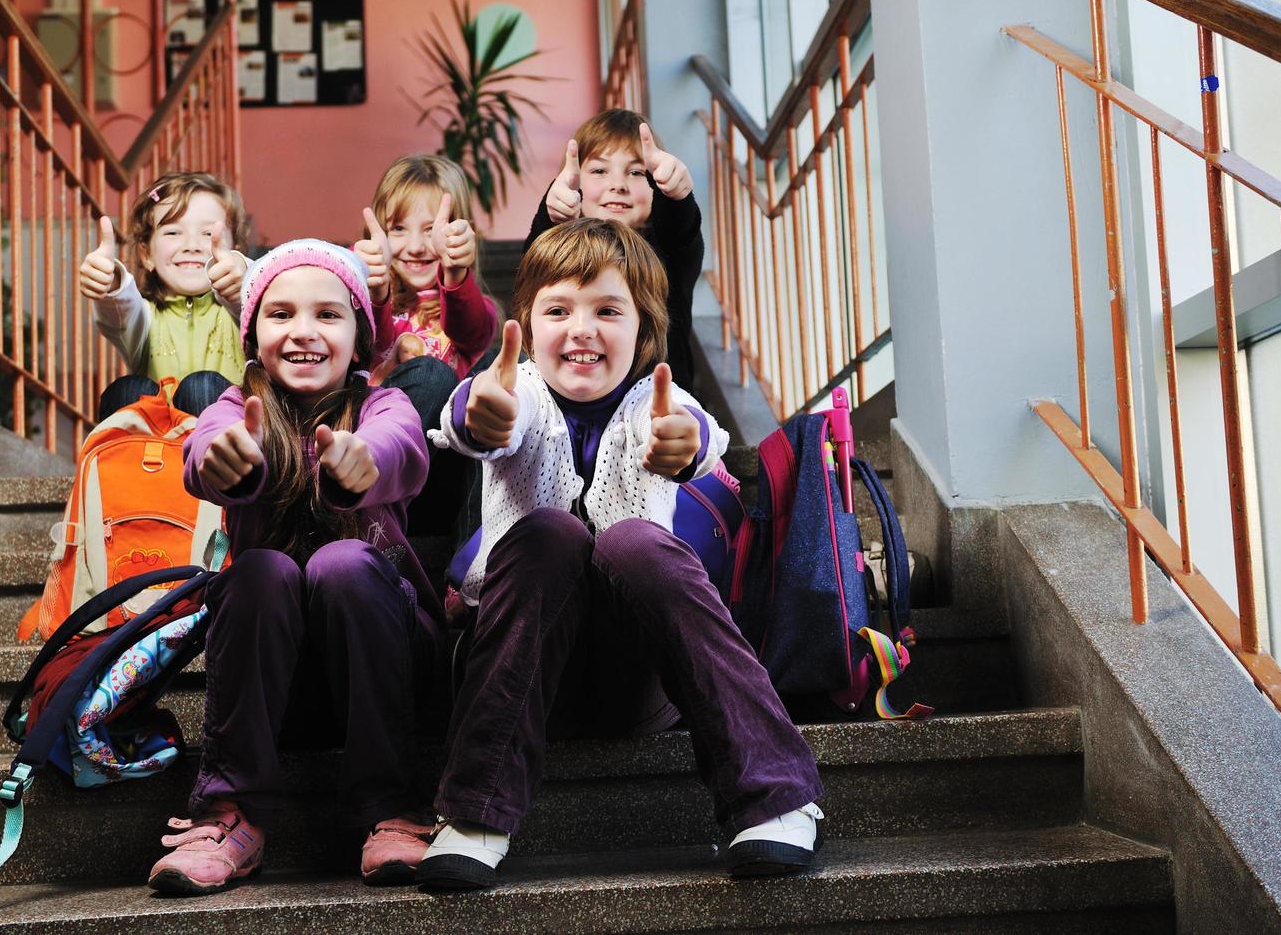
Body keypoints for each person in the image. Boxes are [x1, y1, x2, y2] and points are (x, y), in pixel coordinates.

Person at [418, 219, 823, 890]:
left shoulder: (651, 402)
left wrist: (683, 445)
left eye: (607, 310)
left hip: (638, 685)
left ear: (644, 329)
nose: (581, 329)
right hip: (516, 672)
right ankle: (475, 811)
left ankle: (776, 796)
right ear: (525, 325)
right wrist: (475, 415)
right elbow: (482, 415)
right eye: (558, 310)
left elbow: (697, 433)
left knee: (633, 540)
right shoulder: (517, 392)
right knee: (549, 532)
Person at [151, 240, 448, 894]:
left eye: (328, 315)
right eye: (280, 314)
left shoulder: (382, 406)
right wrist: (228, 461)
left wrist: (359, 462)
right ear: (253, 335)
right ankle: (231, 814)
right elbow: (205, 451)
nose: (304, 331)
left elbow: (403, 449)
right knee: (258, 571)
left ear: (361, 336)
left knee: (344, 562)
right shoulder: (236, 409)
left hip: (389, 667)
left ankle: (394, 807)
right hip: (279, 684)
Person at [526, 109, 703, 390]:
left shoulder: (668, 252)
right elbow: (537, 262)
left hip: (661, 415)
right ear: (574, 181)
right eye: (599, 170)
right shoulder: (562, 249)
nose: (618, 185)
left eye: (636, 172)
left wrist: (677, 199)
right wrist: (552, 215)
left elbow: (680, 232)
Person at [78, 171, 253, 417]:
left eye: (208, 234)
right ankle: (122, 454)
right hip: (156, 448)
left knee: (201, 386)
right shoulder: (145, 319)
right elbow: (122, 309)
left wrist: (241, 275)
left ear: (233, 248)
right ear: (146, 254)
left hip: (225, 444)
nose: (192, 245)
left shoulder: (243, 312)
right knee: (128, 390)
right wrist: (111, 282)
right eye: (173, 232)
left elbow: (251, 304)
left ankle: (208, 453)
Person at [355, 154, 500, 432]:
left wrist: (455, 270)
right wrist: (373, 285)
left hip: (445, 453)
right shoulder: (364, 296)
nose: (415, 246)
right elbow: (372, 341)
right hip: (377, 441)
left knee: (444, 373)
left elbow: (469, 327)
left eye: (431, 229)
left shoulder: (475, 309)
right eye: (398, 228)